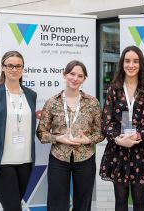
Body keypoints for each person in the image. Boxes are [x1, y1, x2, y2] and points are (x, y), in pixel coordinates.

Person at [36, 60, 103, 211]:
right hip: (59, 158)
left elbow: (100, 132)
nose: (75, 78)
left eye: (80, 76)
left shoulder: (92, 103)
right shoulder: (52, 102)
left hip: (85, 157)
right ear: (64, 75)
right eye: (72, 74)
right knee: (57, 203)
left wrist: (88, 139)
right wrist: (57, 138)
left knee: (83, 203)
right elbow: (41, 133)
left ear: (84, 79)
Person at [99, 46, 144, 211]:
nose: (131, 65)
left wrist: (136, 136)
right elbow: (106, 122)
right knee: (120, 201)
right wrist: (119, 139)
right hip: (118, 152)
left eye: (135, 61)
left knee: (139, 201)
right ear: (122, 64)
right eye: (127, 61)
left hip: (140, 152)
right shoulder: (114, 89)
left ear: (141, 64)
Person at [0, 51, 37, 211]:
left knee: (16, 205)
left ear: (23, 68)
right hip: (1, 162)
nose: (14, 69)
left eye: (18, 66)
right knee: (12, 207)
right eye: (10, 65)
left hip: (25, 161)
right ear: (3, 68)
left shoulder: (31, 95)